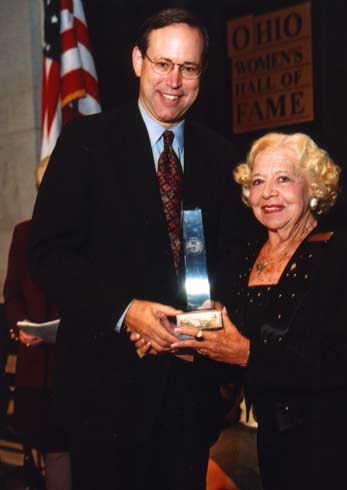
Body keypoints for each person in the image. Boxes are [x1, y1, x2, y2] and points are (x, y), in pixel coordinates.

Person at [28, 8, 250, 490]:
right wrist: (126, 311)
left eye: (188, 68)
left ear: (201, 75)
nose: (174, 81)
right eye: (163, 63)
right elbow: (47, 254)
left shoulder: (221, 157)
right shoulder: (85, 143)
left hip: (189, 395)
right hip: (104, 396)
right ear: (137, 61)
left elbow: (235, 258)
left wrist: (202, 325)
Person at [171, 132, 347, 490]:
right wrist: (174, 336)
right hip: (263, 445)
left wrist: (248, 354)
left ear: (312, 187)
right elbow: (222, 348)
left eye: (283, 179)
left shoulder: (346, 253)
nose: (268, 193)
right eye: (258, 181)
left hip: (331, 447)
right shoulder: (241, 259)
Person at [3, 159, 71, 490]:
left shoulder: (86, 232)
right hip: (37, 368)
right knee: (52, 451)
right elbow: (11, 293)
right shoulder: (24, 233)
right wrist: (23, 325)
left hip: (79, 364)